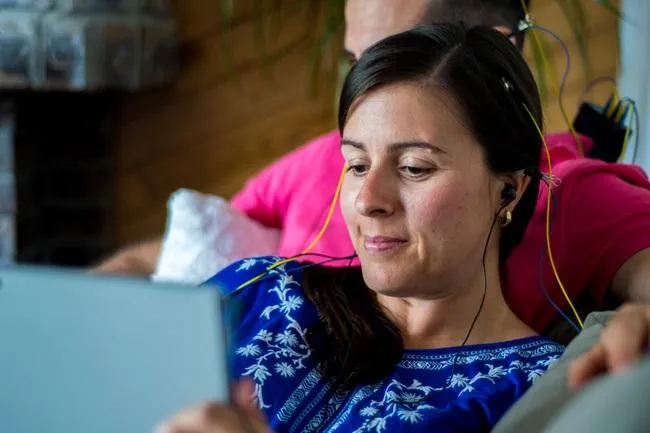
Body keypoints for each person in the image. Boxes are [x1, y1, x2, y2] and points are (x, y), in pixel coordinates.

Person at [98, 0, 650, 385]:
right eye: (356, 60)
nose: (366, 198)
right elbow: (185, 249)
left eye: (393, 51)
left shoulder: (571, 194)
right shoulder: (273, 268)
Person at [157, 24, 565, 433]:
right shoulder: (258, 292)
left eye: (413, 168)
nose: (367, 200)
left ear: (508, 191)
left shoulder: (534, 390)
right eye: (357, 165)